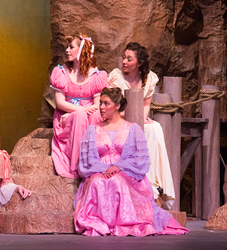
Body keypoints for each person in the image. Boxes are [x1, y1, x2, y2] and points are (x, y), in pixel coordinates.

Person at [74, 87, 189, 236]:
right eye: (100, 103)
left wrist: (119, 167)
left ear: (117, 106)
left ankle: (123, 223)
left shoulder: (132, 129)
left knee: (118, 181)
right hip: (98, 170)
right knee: (96, 182)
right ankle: (100, 223)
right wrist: (103, 169)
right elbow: (87, 159)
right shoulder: (92, 130)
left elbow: (139, 159)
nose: (101, 107)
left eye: (106, 104)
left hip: (126, 171)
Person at [108, 42, 175, 208]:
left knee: (154, 128)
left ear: (139, 63)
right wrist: (131, 117)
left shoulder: (149, 78)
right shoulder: (116, 77)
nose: (124, 61)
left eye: (129, 59)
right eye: (124, 57)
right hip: (119, 118)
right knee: (139, 130)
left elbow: (146, 103)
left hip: (137, 117)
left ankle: (154, 180)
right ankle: (147, 181)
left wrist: (141, 118)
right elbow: (112, 105)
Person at [51, 33, 108, 179]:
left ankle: (93, 160)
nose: (67, 50)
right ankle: (77, 165)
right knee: (79, 115)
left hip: (87, 115)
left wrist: (84, 111)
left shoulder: (96, 75)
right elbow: (60, 103)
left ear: (82, 50)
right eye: (67, 47)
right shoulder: (61, 72)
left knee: (96, 114)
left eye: (71, 47)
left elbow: (96, 105)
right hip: (67, 116)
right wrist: (80, 110)